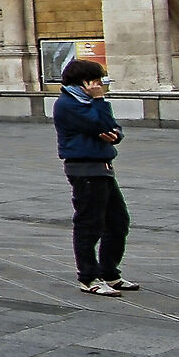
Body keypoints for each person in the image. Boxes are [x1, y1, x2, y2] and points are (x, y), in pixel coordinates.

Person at [54, 58, 138, 295]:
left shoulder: (87, 102)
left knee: (118, 221)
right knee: (89, 224)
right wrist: (100, 100)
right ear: (86, 82)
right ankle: (88, 277)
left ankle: (110, 273)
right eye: (98, 81)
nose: (101, 85)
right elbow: (97, 123)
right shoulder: (68, 104)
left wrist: (116, 135)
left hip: (103, 167)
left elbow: (110, 125)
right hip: (85, 169)